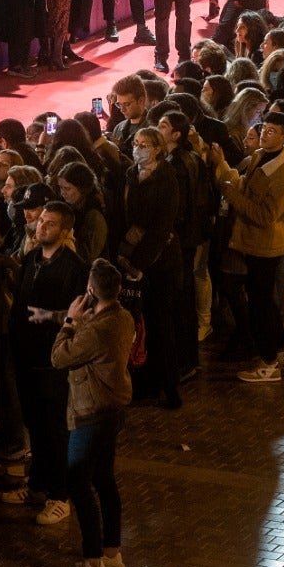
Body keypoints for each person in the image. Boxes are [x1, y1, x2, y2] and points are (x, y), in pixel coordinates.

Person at [7, 202, 88, 526]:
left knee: (55, 429)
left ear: (65, 232)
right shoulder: (31, 259)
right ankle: (37, 483)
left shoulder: (73, 268)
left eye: (50, 224)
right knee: (35, 424)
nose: (41, 227)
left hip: (53, 360)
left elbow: (81, 314)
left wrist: (50, 317)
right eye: (41, 221)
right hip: (26, 355)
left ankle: (60, 494)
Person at [50, 259, 134, 567]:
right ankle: (112, 553)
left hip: (91, 414)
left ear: (90, 290)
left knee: (78, 482)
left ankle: (93, 561)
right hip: (113, 410)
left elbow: (60, 357)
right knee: (104, 480)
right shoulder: (122, 318)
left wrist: (69, 321)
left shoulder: (96, 330)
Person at [209, 112, 284, 384]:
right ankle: (282, 351)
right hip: (258, 242)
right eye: (265, 129)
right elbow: (246, 186)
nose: (265, 134)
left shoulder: (282, 174)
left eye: (273, 131)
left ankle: (268, 362)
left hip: (266, 245)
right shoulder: (262, 155)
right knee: (265, 303)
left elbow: (264, 216)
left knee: (261, 304)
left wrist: (232, 195)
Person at [116, 128, 182, 409]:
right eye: (136, 143)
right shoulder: (131, 174)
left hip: (160, 260)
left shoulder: (167, 179)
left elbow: (161, 227)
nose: (139, 148)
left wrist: (139, 263)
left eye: (145, 145)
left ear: (158, 149)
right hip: (132, 256)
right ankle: (144, 383)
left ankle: (169, 387)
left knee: (161, 323)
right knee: (139, 324)